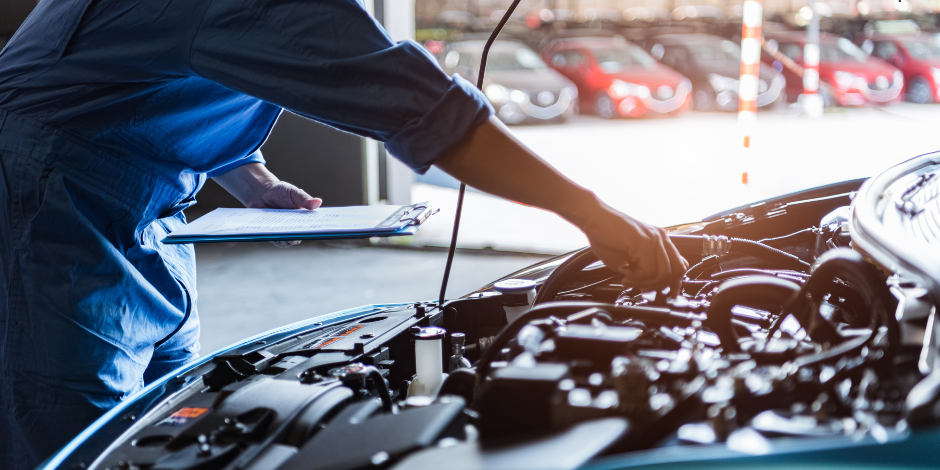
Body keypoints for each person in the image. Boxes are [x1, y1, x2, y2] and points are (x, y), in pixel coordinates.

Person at [0, 0, 687, 466]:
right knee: (79, 436)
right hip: (50, 199)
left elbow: (151, 71)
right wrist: (595, 215)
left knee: (171, 419)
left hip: (138, 199)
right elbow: (426, 111)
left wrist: (250, 176)